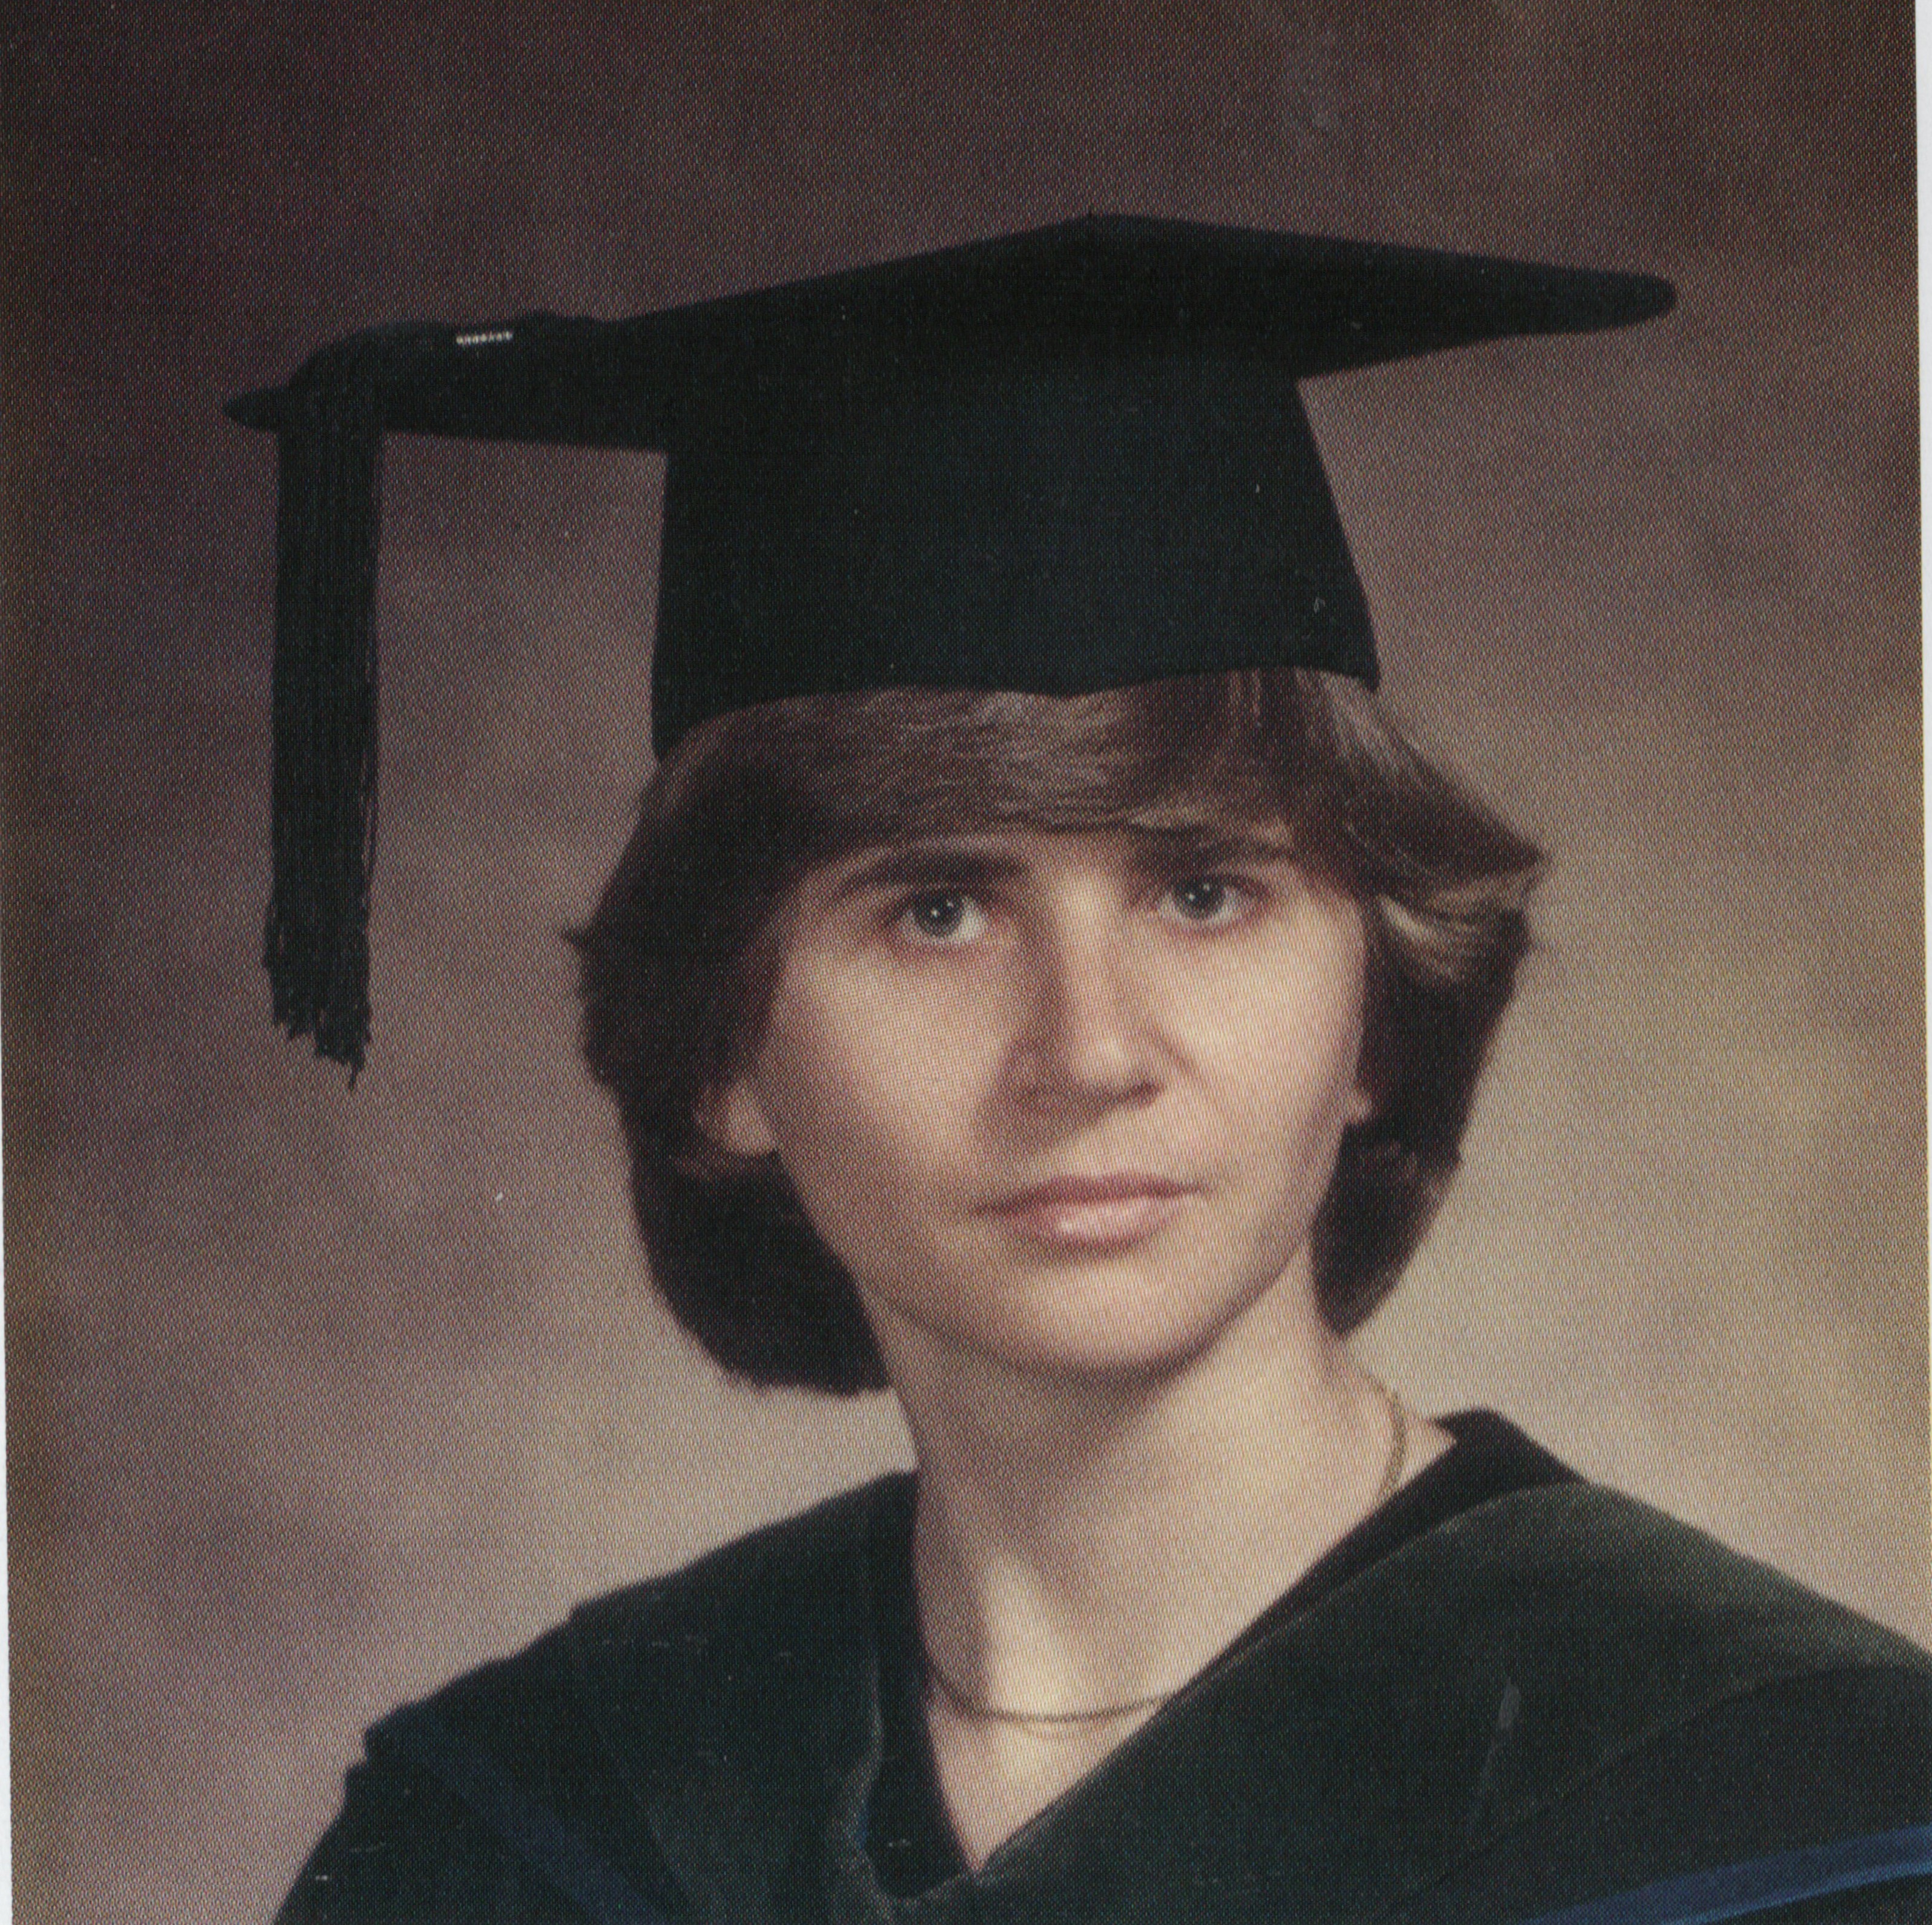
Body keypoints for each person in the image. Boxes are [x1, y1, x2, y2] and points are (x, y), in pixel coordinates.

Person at [231, 218, 1932, 1923]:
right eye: (940, 910)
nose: (1091, 1050)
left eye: (1205, 892)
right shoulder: (516, 1837)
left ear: (1379, 1011)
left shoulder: (1800, 1817)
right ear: (722, 1052)